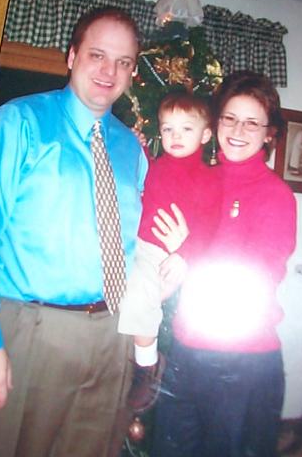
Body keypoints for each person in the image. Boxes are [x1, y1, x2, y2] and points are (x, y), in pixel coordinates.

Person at [0, 7, 148, 457]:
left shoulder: (130, 148)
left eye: (122, 62)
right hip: (31, 330)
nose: (109, 71)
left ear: (132, 71)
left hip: (111, 334)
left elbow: (133, 243)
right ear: (72, 55)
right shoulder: (18, 122)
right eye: (97, 55)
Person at [152, 71, 297, 457]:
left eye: (252, 122)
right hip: (186, 349)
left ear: (269, 134)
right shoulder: (199, 178)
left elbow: (256, 279)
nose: (238, 130)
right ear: (215, 124)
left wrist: (187, 251)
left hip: (244, 363)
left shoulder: (276, 196)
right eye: (230, 118)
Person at [118, 91, 215, 412]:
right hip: (138, 244)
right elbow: (142, 172)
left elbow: (208, 226)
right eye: (168, 128)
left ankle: (147, 366)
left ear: (206, 134)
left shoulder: (208, 178)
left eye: (186, 129)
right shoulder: (158, 164)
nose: (175, 136)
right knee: (124, 294)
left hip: (166, 253)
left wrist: (185, 254)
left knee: (142, 292)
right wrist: (137, 144)